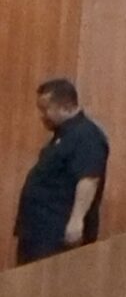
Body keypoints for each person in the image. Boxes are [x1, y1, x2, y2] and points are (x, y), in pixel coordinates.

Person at [13, 78, 108, 266]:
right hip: (39, 234)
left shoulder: (86, 135)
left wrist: (76, 221)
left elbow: (89, 179)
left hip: (57, 236)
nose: (42, 116)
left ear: (65, 106)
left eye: (45, 109)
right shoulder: (63, 136)